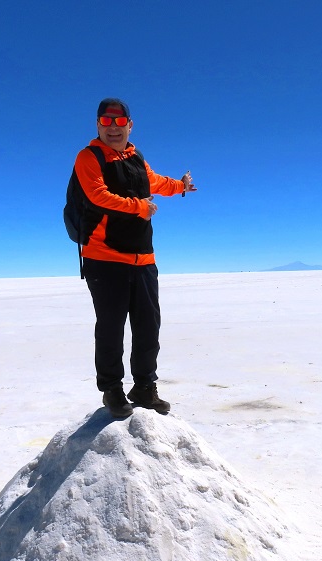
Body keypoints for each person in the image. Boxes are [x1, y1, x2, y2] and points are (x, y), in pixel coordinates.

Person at [70, 97, 196, 418]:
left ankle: (144, 387)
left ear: (130, 124)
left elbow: (151, 181)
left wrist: (179, 186)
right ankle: (111, 390)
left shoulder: (135, 156)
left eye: (119, 122)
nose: (113, 128)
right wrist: (139, 206)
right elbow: (97, 195)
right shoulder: (89, 157)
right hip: (104, 257)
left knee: (147, 325)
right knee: (111, 326)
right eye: (106, 122)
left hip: (143, 259)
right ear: (98, 125)